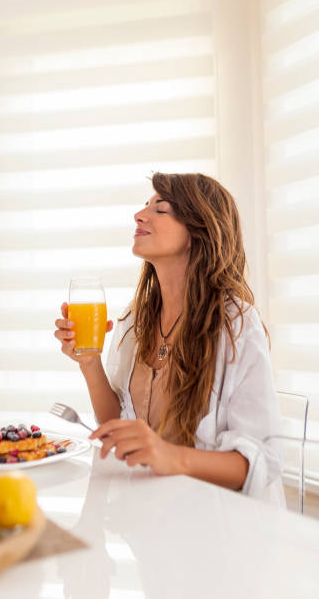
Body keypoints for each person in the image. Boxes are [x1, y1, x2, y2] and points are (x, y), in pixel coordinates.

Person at [54, 172, 284, 505]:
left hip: (224, 531)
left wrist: (170, 456)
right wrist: (89, 362)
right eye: (144, 206)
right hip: (155, 523)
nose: (139, 215)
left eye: (160, 209)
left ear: (196, 231)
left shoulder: (235, 324)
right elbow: (118, 424)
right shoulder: (136, 320)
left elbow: (262, 461)